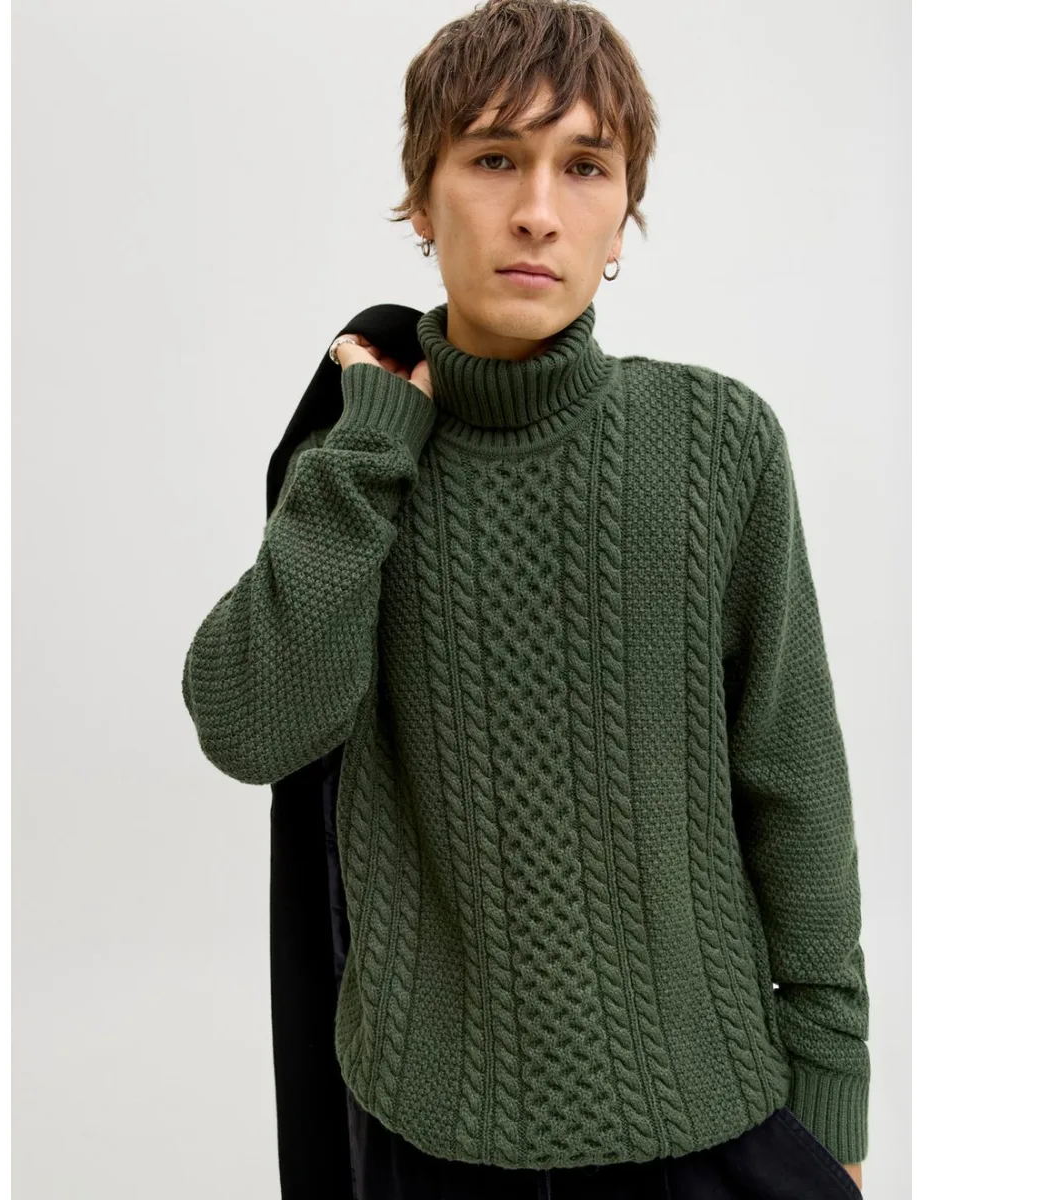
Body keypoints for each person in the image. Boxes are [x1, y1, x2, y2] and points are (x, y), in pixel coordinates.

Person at [182, 2, 869, 1196]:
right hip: (429, 1131)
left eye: (585, 166)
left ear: (624, 213)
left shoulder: (718, 443)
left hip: (714, 1118)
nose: (538, 209)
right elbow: (251, 728)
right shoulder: (358, 463)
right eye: (494, 158)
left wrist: (832, 1091)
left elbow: (796, 783)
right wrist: (368, 451)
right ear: (421, 198)